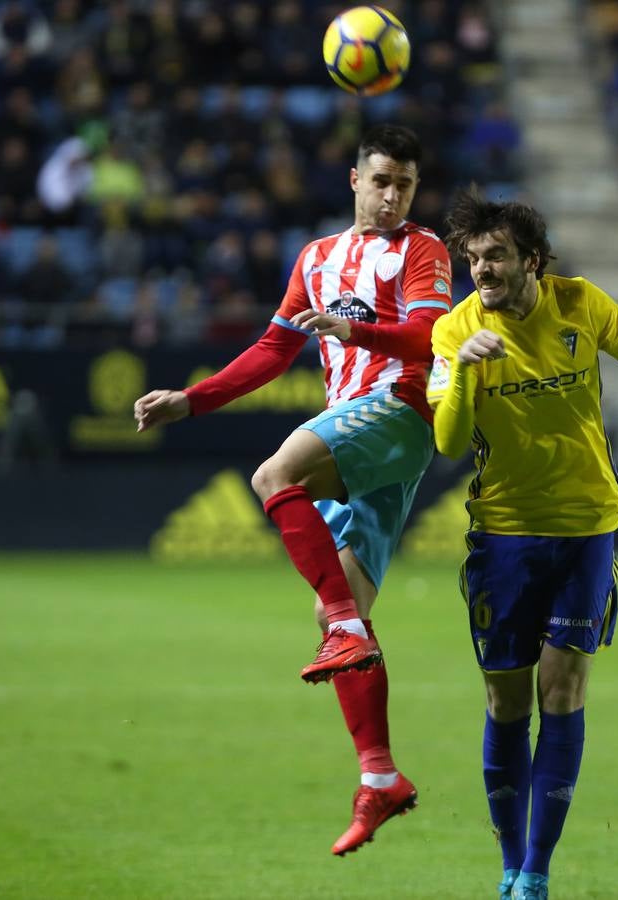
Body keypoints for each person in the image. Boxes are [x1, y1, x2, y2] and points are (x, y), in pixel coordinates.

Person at [132, 125, 453, 855]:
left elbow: (429, 338)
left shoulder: (422, 251)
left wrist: (352, 330)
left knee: (273, 475)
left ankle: (343, 632)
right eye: (381, 181)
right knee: (337, 605)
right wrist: (194, 399)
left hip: (400, 411)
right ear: (353, 180)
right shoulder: (316, 258)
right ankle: (380, 778)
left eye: (404, 183)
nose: (393, 195)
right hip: (358, 433)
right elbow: (276, 348)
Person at [427, 188, 618, 900]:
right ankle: (507, 860)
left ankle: (535, 872)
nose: (482, 271)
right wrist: (463, 366)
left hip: (588, 526)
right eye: (472, 259)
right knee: (507, 704)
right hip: (504, 535)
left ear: (533, 259)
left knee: (565, 690)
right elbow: (448, 440)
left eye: (496, 256)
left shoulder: (582, 303)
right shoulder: (453, 332)